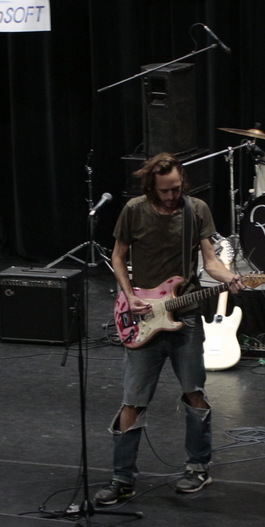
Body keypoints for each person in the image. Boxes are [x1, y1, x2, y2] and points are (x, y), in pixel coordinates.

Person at [94, 153, 243, 505]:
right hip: (143, 315)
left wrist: (232, 278)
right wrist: (128, 295)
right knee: (133, 400)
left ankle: (198, 467)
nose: (171, 195)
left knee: (195, 393)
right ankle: (122, 478)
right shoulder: (133, 210)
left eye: (176, 188)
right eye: (164, 190)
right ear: (151, 187)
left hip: (185, 315)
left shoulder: (196, 209)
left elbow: (210, 262)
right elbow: (118, 256)